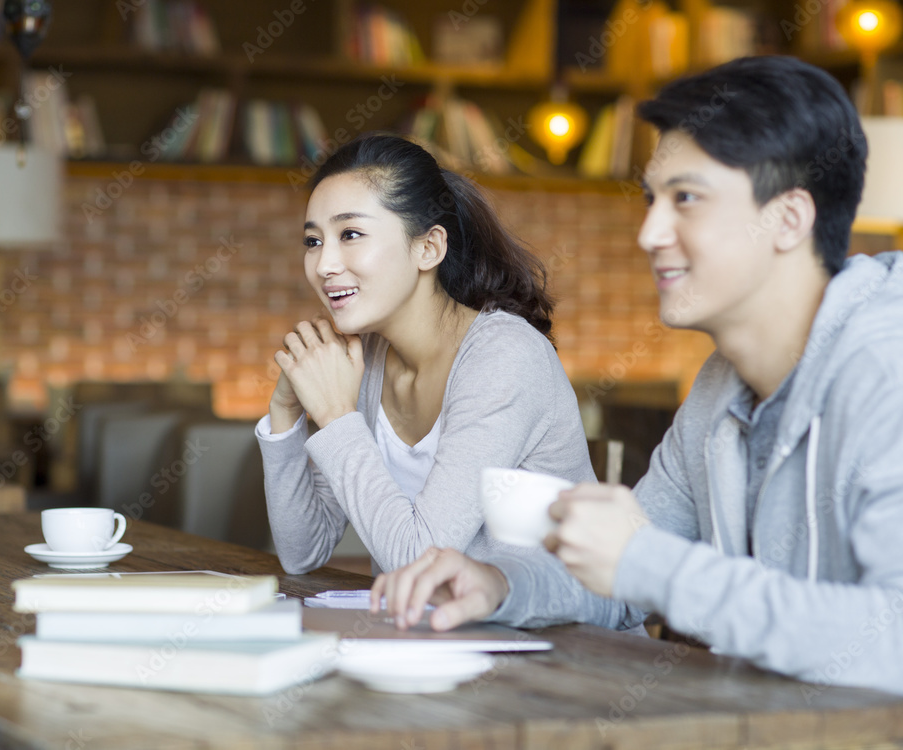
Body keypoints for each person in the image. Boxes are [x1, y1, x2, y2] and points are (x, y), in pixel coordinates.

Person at [371, 55, 903, 695]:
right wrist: (501, 585)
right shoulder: (719, 387)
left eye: (686, 199)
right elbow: (622, 586)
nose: (650, 231)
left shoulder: (885, 369)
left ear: (788, 219)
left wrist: (652, 565)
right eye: (653, 200)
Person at [256, 133, 598, 581]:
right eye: (313, 241)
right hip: (441, 637)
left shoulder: (504, 358)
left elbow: (418, 562)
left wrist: (337, 417)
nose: (323, 265)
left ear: (429, 248)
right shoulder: (368, 359)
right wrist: (286, 413)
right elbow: (304, 551)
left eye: (351, 234)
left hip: (565, 642)